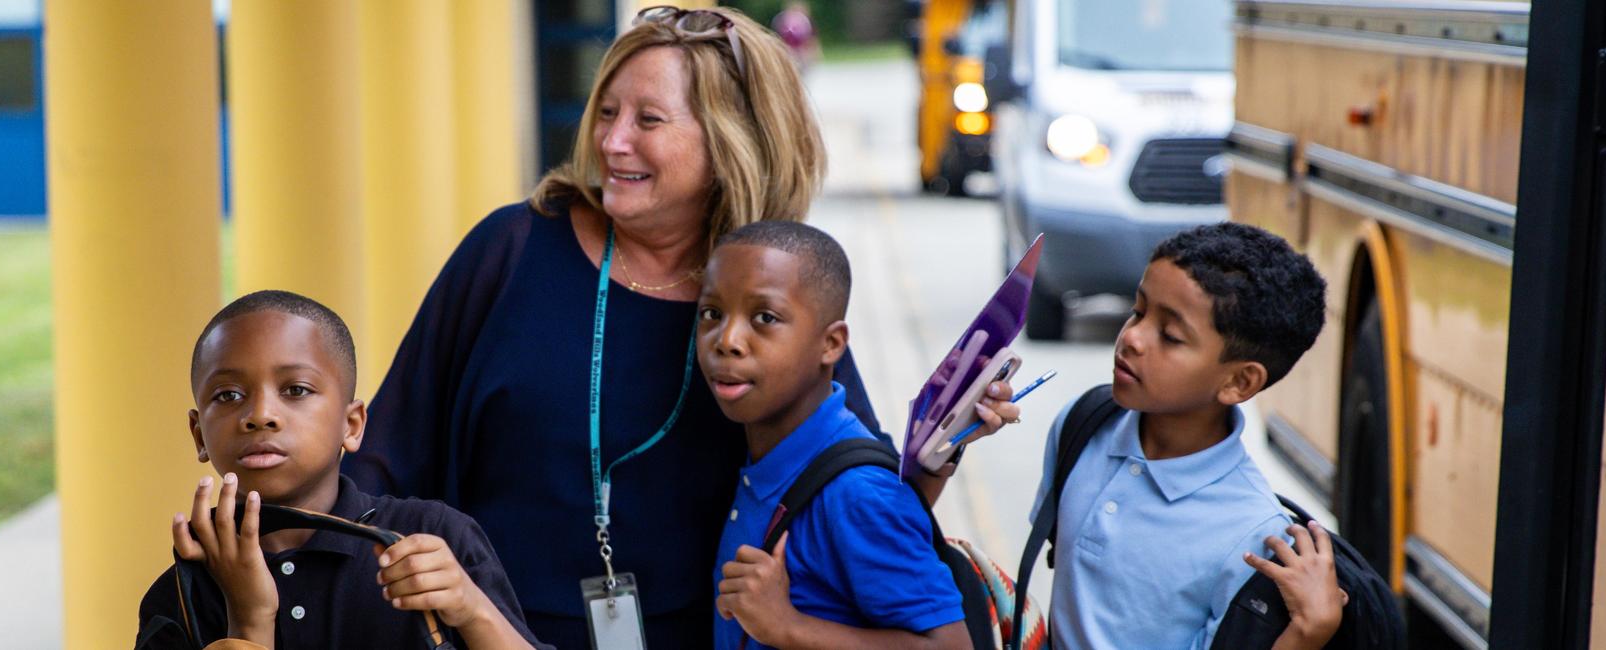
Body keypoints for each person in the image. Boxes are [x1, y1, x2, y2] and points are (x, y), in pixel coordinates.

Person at [345, 7, 1021, 647]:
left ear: (730, 141)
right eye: (606, 112)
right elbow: (385, 457)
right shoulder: (510, 250)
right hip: (487, 634)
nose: (612, 141)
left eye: (649, 120)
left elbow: (848, 494)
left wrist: (941, 445)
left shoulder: (768, 297)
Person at [137, 290, 545, 650]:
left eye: (296, 390)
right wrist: (249, 619)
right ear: (198, 435)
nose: (260, 415)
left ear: (351, 425)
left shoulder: (430, 537)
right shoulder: (178, 594)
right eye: (228, 395)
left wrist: (472, 609)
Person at [1023, 222, 1341, 648]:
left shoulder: (1255, 536)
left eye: (1170, 336)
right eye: (1137, 311)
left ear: (1240, 383)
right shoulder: (1084, 424)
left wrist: (1305, 633)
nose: (1132, 337)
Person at [700, 222, 971, 649]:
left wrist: (786, 627)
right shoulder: (764, 455)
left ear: (831, 344)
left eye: (765, 318)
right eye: (712, 313)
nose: (727, 340)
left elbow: (951, 646)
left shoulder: (857, 492)